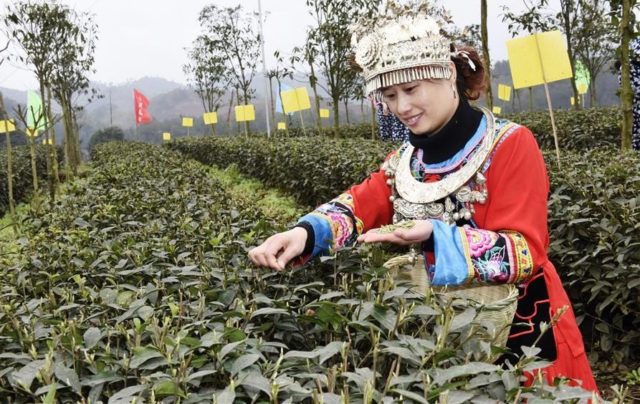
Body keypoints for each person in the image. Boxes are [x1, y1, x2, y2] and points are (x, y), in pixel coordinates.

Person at [249, 3, 598, 394]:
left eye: (411, 89)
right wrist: (303, 234)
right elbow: (359, 205)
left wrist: (436, 235)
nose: (402, 108)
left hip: (519, 330)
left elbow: (525, 251)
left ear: (448, 74)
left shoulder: (511, 144)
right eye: (390, 94)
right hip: (434, 331)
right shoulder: (404, 160)